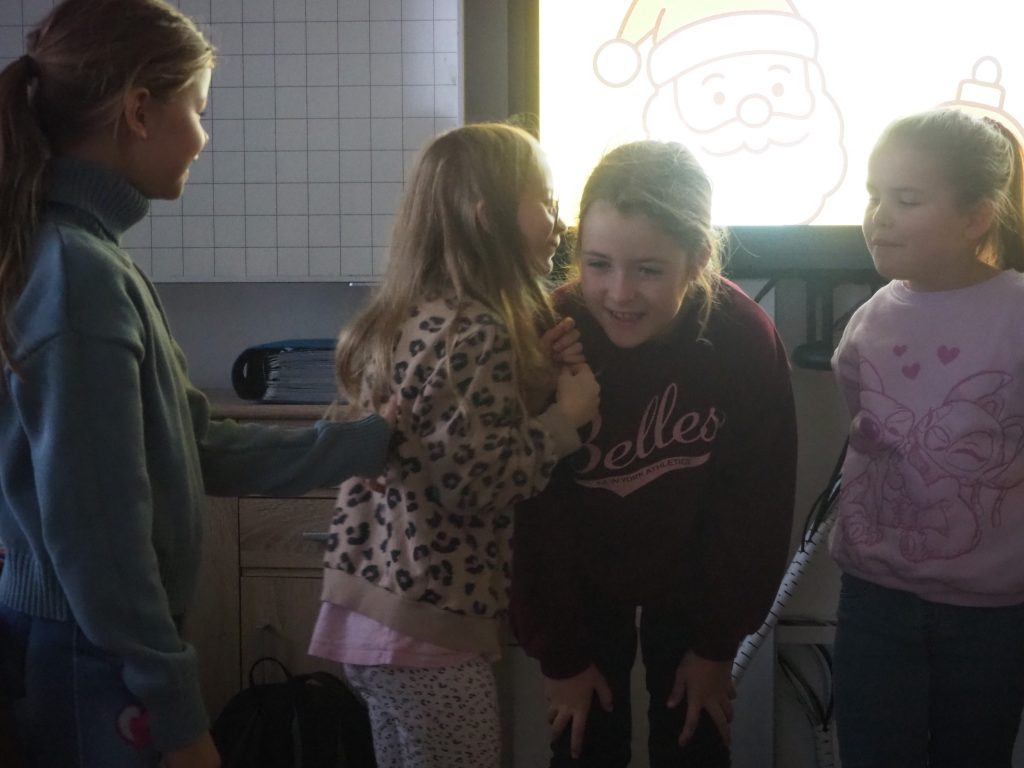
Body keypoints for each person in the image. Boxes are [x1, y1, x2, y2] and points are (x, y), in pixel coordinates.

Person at [0, 2, 392, 767]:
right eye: (199, 111)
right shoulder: (79, 277)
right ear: (140, 111)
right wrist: (176, 711)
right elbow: (98, 539)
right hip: (91, 657)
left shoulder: (92, 260)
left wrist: (370, 441)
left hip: (96, 647)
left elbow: (199, 445)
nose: (204, 138)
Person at [307, 122, 601, 768]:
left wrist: (534, 380)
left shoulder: (416, 314)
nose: (559, 221)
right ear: (486, 217)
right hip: (427, 630)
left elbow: (442, 437)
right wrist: (566, 420)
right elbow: (475, 480)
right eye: (545, 201)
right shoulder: (477, 331)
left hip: (372, 612)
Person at [509, 140, 798, 767]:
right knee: (584, 746)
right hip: (578, 582)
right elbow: (532, 513)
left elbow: (756, 507)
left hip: (697, 578)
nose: (619, 292)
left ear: (697, 259)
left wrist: (716, 645)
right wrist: (561, 656)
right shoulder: (551, 333)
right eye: (597, 264)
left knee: (695, 743)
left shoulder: (742, 337)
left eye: (648, 270)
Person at [829, 108, 1024, 767]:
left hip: (990, 612)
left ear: (977, 217)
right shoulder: (869, 319)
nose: (879, 217)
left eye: (906, 200)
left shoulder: (1017, 312)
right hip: (876, 600)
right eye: (873, 195)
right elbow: (863, 425)